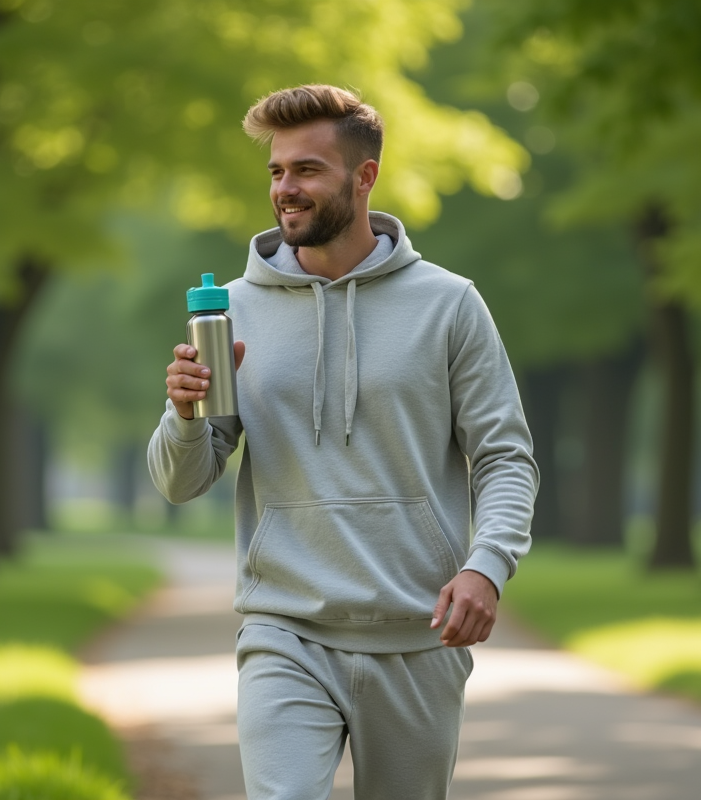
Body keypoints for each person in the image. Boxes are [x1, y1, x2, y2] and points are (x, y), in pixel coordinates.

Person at [148, 84, 538, 800]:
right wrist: (185, 415)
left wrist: (488, 566)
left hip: (418, 636)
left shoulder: (449, 304)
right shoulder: (233, 309)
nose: (285, 190)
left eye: (307, 171)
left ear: (365, 177)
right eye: (276, 172)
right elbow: (182, 481)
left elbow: (505, 457)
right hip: (286, 631)